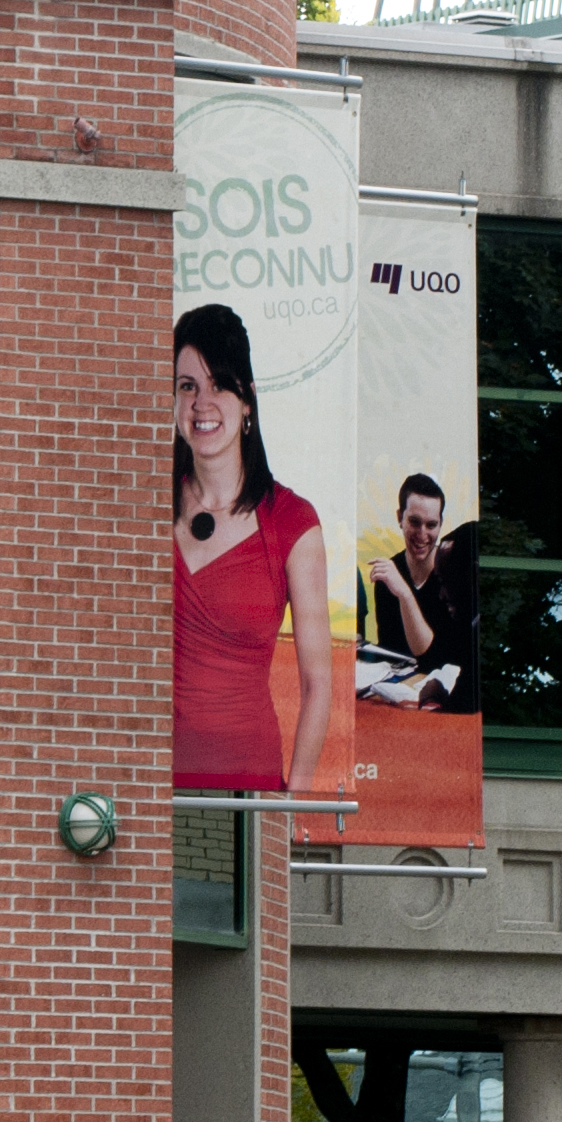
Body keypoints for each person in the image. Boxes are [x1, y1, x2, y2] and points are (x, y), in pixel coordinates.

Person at [172, 303, 333, 794]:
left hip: (248, 793)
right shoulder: (133, 507)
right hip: (143, 787)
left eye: (220, 384)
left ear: (248, 402)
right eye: (187, 386)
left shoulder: (293, 522)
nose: (202, 403)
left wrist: (293, 800)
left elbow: (318, 684)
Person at [361, 471, 482, 712]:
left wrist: (405, 593)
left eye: (431, 525)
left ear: (441, 523)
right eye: (414, 522)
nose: (422, 534)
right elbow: (390, 655)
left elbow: (437, 658)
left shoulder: (456, 574)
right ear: (400, 518)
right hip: (399, 699)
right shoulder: (389, 574)